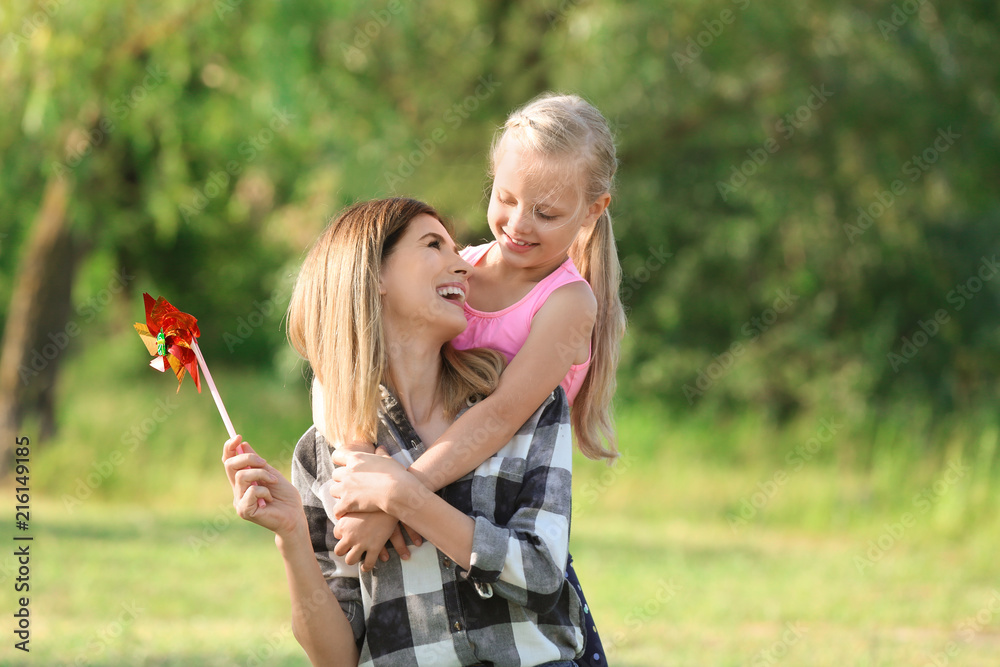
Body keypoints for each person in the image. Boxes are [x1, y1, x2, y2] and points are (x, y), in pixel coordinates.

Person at [326, 93, 625, 666]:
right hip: (433, 531)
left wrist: (396, 496)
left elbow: (500, 414)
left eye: (546, 212)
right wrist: (361, 465)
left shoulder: (566, 303)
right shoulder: (456, 266)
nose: (517, 224)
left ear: (593, 209)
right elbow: (370, 358)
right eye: (506, 198)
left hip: (506, 521)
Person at [223, 197, 585, 666]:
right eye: (435, 245)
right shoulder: (321, 452)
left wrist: (404, 497)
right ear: (372, 277)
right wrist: (291, 536)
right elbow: (335, 658)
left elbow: (541, 576)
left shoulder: (526, 406)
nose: (465, 268)